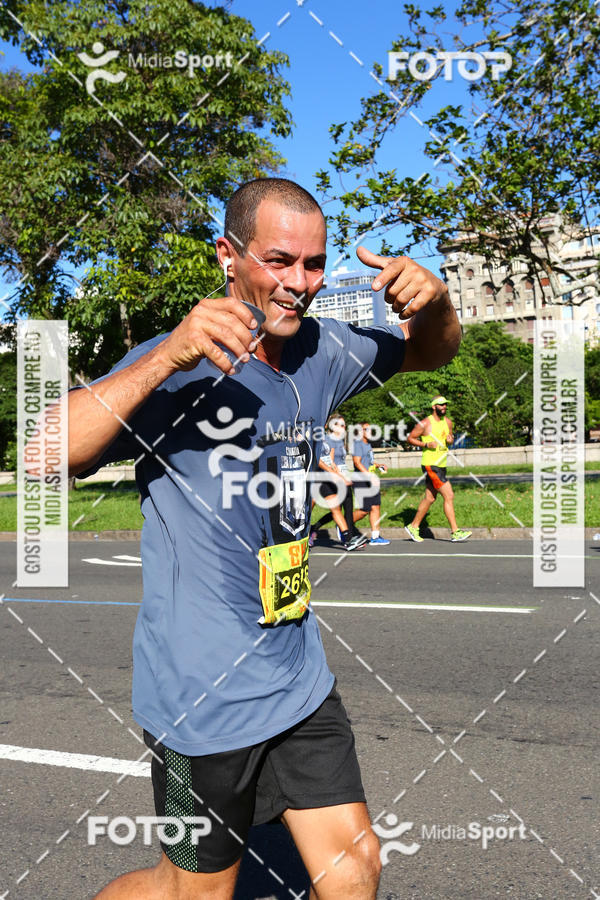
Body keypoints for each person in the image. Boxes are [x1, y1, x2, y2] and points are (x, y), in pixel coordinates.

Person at [66, 177, 460, 899]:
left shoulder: (326, 350)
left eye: (314, 264)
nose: (299, 283)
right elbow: (49, 451)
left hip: (296, 674)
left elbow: (431, 354)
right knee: (193, 891)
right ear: (229, 254)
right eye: (279, 261)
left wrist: (436, 305)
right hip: (200, 695)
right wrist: (163, 359)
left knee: (357, 869)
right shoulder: (177, 363)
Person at [405, 396, 472, 543]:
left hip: (441, 464)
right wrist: (425, 445)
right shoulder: (424, 423)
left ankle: (413, 526)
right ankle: (455, 532)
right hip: (431, 465)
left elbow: (449, 439)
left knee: (430, 498)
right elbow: (410, 438)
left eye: (445, 405)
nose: (444, 407)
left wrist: (450, 441)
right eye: (441, 405)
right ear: (434, 407)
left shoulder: (448, 422)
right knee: (449, 495)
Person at [310, 415, 366, 550]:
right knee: (306, 511)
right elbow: (317, 460)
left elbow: (331, 461)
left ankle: (348, 540)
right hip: (315, 478)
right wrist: (336, 475)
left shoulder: (329, 440)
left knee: (335, 508)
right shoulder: (315, 438)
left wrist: (340, 476)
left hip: (326, 477)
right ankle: (304, 535)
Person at [351, 422, 390, 546]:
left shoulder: (368, 445)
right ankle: (344, 525)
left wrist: (379, 465)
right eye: (366, 429)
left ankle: (375, 537)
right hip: (361, 480)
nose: (369, 431)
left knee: (375, 506)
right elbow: (357, 462)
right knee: (364, 510)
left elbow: (369, 462)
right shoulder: (358, 443)